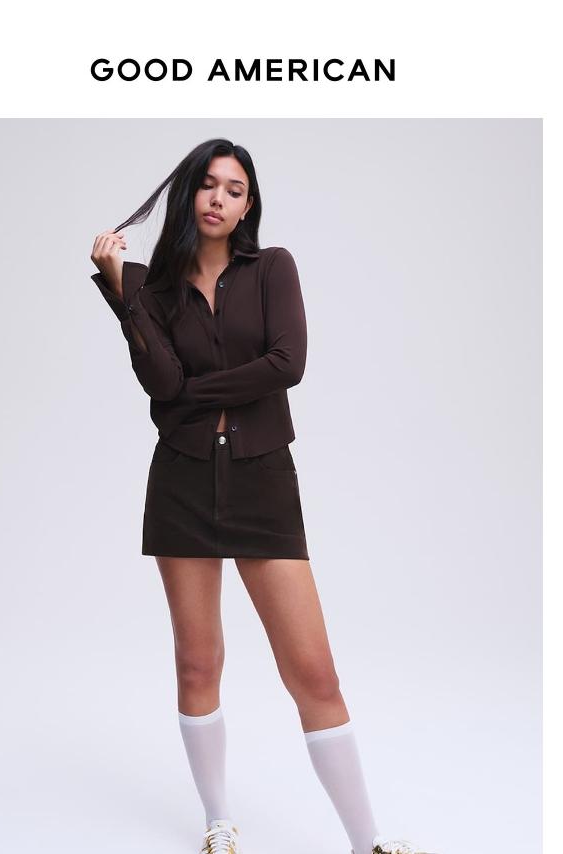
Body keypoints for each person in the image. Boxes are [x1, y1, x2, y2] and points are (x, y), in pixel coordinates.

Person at [90, 138, 437, 854]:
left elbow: (287, 362)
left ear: (249, 205)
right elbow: (159, 381)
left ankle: (367, 839)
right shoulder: (155, 288)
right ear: (189, 193)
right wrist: (120, 288)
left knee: (313, 672)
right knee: (198, 662)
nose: (219, 198)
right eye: (209, 185)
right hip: (183, 478)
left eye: (235, 189)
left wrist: (191, 393)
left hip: (261, 477)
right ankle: (218, 822)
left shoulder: (273, 267)